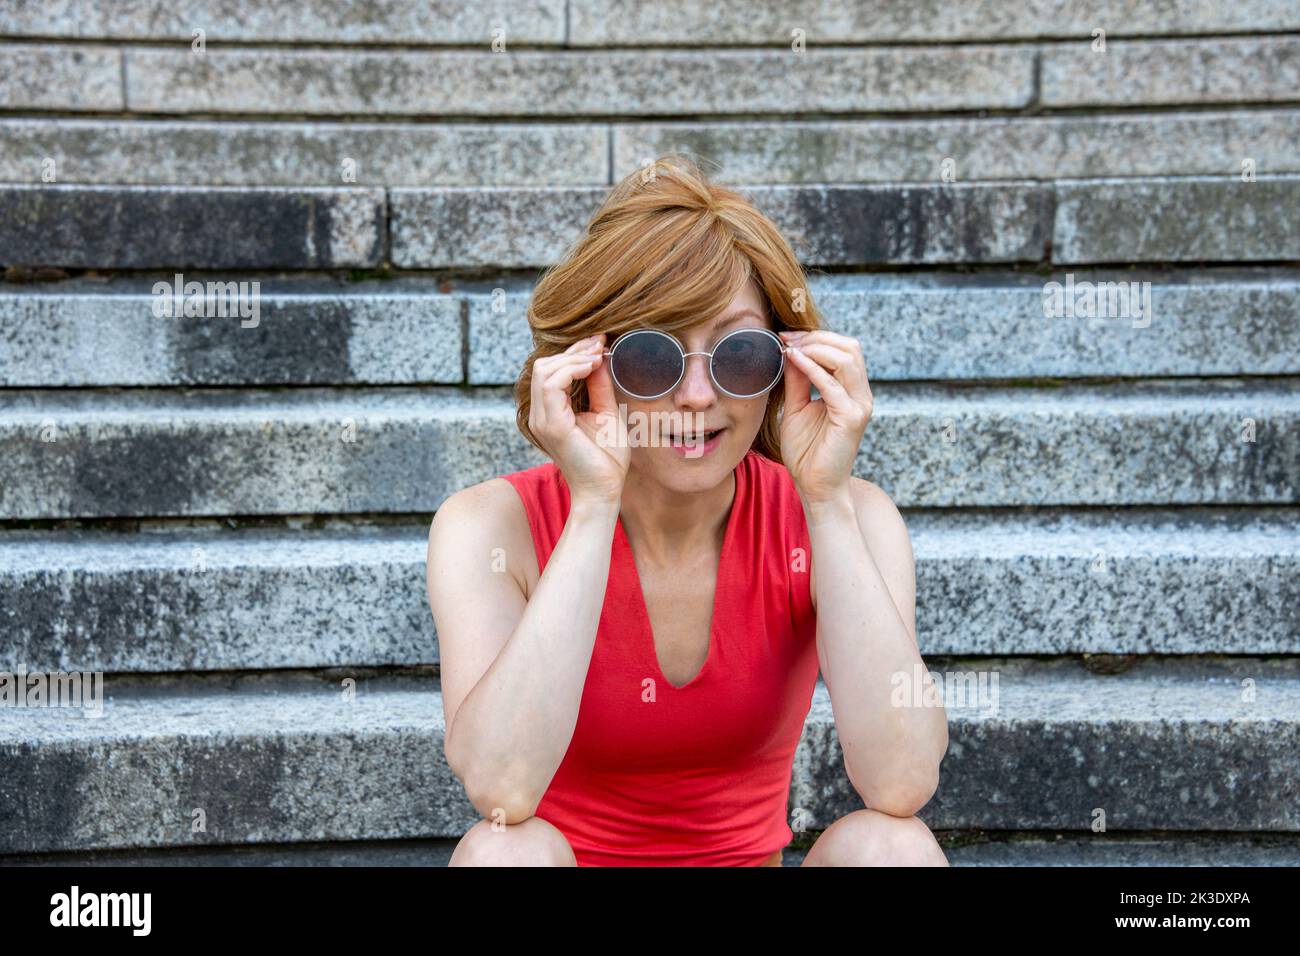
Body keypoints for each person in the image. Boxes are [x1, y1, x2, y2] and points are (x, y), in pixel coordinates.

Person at [426, 155, 949, 866]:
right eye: (652, 357)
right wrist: (592, 508)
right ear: (589, 364)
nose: (699, 396)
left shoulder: (848, 516)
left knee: (894, 847)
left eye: (738, 356)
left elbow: (901, 781)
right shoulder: (489, 528)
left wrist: (825, 504)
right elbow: (500, 789)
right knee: (500, 855)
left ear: (787, 366)